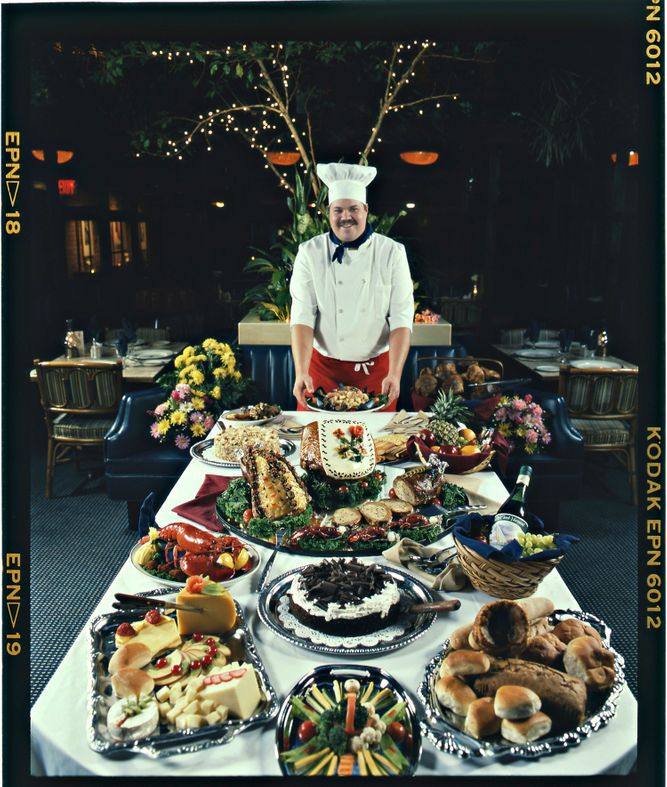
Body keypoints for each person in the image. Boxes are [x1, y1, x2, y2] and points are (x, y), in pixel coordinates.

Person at [289, 162, 414, 411]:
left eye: (353, 209)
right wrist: (301, 371)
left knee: (378, 447)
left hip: (378, 372)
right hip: (320, 372)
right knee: (318, 444)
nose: (346, 217)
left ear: (366, 210)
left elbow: (401, 319)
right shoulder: (309, 252)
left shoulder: (392, 252)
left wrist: (395, 374)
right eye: (338, 210)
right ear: (328, 212)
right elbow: (302, 316)